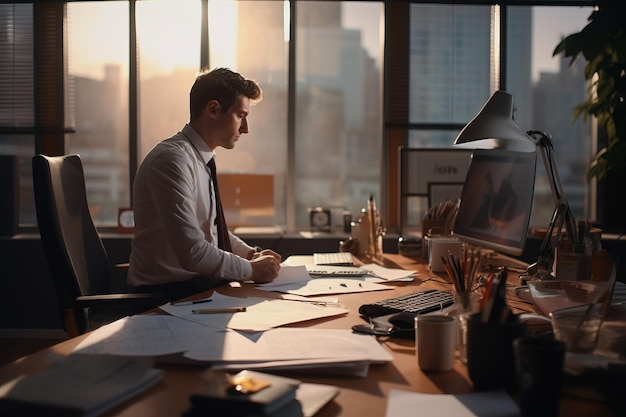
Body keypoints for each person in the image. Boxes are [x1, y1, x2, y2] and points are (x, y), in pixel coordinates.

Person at [128, 67, 282, 300]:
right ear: (213, 109)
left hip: (196, 290)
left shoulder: (199, 159)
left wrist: (250, 255)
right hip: (166, 298)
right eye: (241, 115)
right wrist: (251, 270)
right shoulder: (172, 161)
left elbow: (212, 232)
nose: (246, 128)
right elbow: (193, 252)